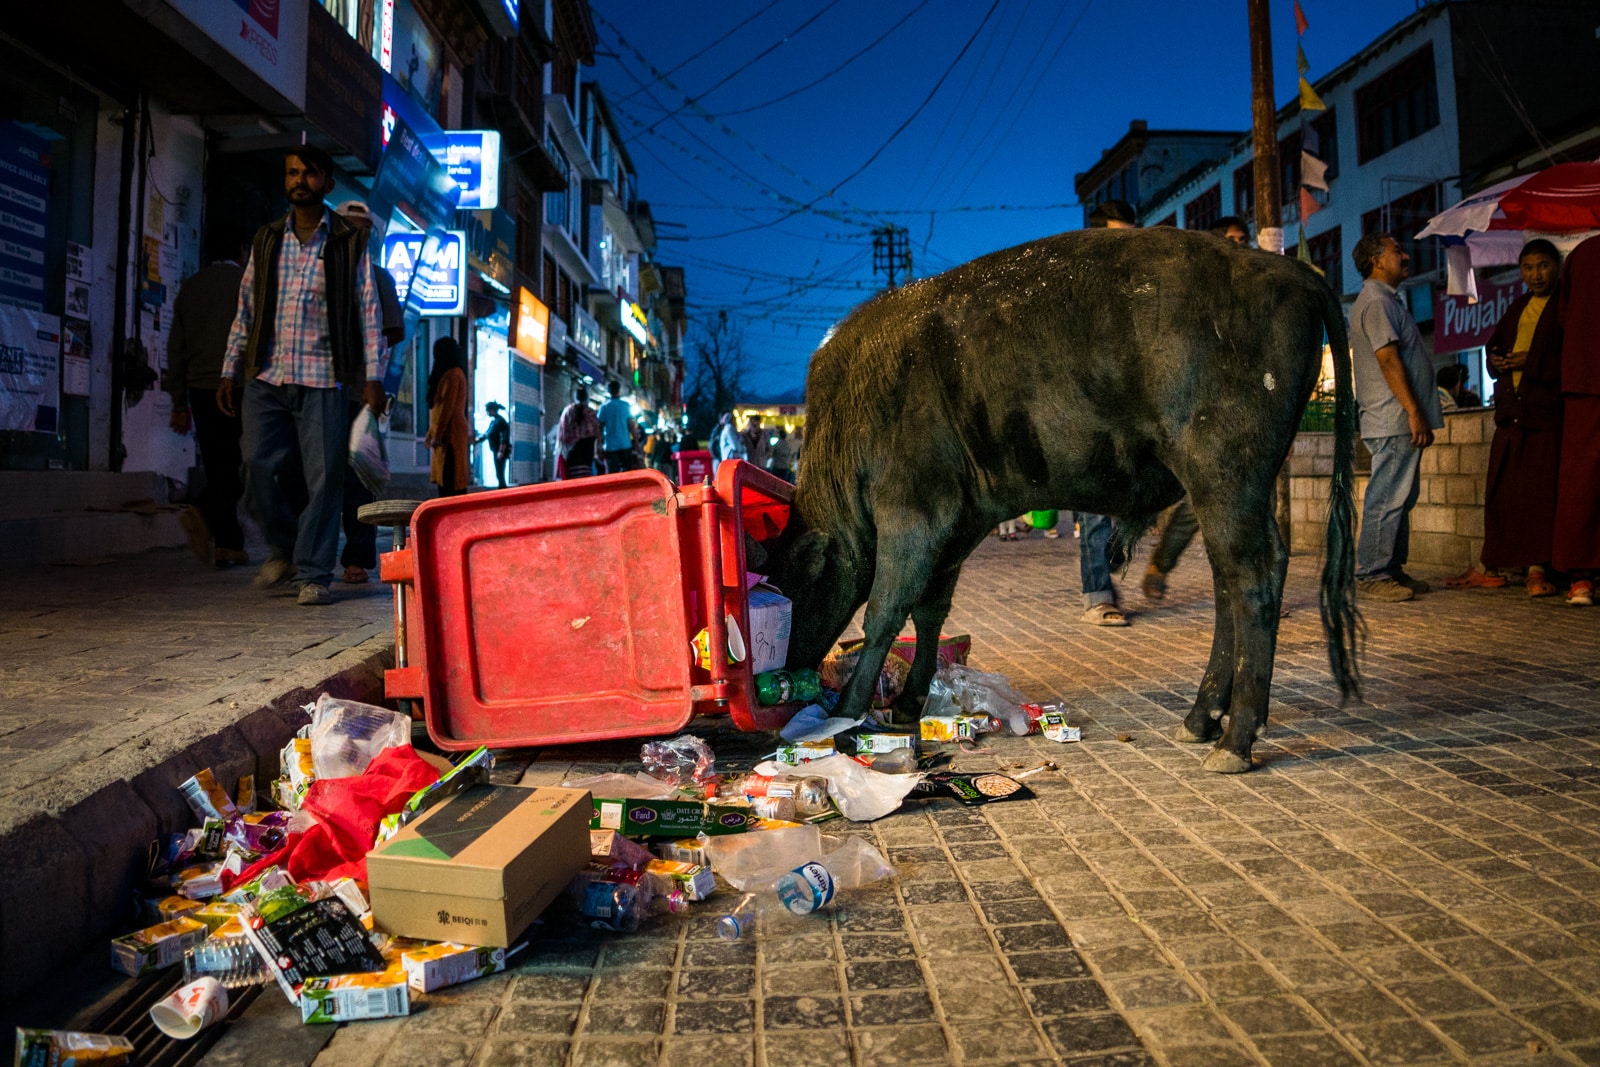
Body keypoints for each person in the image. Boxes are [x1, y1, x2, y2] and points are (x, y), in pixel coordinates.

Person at [218, 145, 386, 607]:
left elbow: (367, 311)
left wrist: (373, 376)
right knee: (256, 464)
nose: (299, 180)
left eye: (309, 173)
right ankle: (284, 549)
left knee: (325, 478)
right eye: (292, 172)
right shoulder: (267, 239)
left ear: (327, 183)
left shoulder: (349, 241)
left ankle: (313, 572)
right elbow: (246, 310)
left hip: (324, 377)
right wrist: (230, 369)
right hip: (266, 374)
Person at [1141, 213, 1254, 600]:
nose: (1240, 247)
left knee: (1254, 506)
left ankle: (1251, 592)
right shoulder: (1198, 296)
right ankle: (1162, 562)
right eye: (1232, 240)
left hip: (1246, 416)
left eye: (1244, 240)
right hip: (1204, 415)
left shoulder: (1252, 297)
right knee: (1198, 504)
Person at [1447, 240, 1564, 596]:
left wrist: (1532, 362)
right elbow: (1494, 346)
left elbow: (1573, 359)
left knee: (1540, 495)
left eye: (1543, 266)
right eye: (1528, 268)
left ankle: (1537, 569)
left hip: (1544, 417)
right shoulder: (1518, 307)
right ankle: (1492, 563)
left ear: (1556, 267)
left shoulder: (1565, 308)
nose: (1536, 275)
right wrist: (1496, 361)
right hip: (1511, 417)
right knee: (1502, 493)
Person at [1348, 232, 1443, 602]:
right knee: (1387, 496)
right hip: (1392, 418)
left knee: (1401, 496)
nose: (1404, 256)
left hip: (1398, 417)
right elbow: (1388, 360)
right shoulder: (1376, 302)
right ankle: (1371, 573)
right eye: (1396, 250)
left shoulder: (1388, 301)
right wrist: (1414, 411)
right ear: (1377, 260)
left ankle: (1390, 568)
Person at [167, 231, 249, 568]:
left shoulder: (190, 287)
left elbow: (176, 348)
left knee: (217, 464)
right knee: (241, 464)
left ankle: (229, 544)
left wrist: (176, 401)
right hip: (237, 385)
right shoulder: (246, 283)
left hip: (199, 387)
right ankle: (201, 511)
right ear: (242, 251)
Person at [334, 200, 405, 583]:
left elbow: (394, 330)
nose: (356, 236)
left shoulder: (379, 278)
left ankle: (357, 556)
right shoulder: (320, 274)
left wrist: (372, 371)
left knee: (358, 478)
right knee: (317, 474)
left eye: (363, 230)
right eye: (349, 227)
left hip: (359, 394)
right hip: (318, 390)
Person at [1077, 199, 1139, 624]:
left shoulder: (1134, 288)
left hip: (1130, 412)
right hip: (1088, 411)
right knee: (1095, 508)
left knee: (1132, 505)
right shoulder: (1080, 289)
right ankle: (1097, 596)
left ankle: (1109, 568)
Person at [1555, 233, 1600, 606]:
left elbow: (1565, 317)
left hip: (1584, 378)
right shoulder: (1585, 254)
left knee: (1581, 480)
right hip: (1586, 378)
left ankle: (1582, 578)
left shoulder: (1582, 253)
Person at [424, 337, 471, 497]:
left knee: (450, 479)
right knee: (446, 480)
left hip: (450, 434)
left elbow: (446, 408)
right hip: (445, 433)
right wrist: (432, 434)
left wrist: (437, 435)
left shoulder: (453, 375)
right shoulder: (450, 374)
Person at [556, 387, 601, 479]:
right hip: (587, 453)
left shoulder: (567, 411)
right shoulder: (591, 413)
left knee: (573, 481)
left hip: (572, 453)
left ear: (575, 397)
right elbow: (597, 432)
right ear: (586, 398)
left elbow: (561, 434)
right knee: (585, 479)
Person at [597, 381, 636, 474]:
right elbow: (631, 426)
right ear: (619, 390)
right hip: (625, 444)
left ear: (608, 391)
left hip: (610, 447)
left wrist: (598, 446)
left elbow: (599, 428)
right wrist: (637, 444)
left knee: (612, 475)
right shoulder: (625, 405)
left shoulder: (604, 407)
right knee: (628, 474)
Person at [477, 401, 511, 488]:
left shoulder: (500, 421)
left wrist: (501, 451)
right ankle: (502, 488)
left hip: (500, 451)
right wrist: (479, 439)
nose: (487, 413)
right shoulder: (494, 422)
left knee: (500, 472)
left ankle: (502, 489)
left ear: (492, 410)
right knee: (499, 473)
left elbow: (504, 438)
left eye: (488, 411)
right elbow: (488, 433)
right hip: (496, 450)